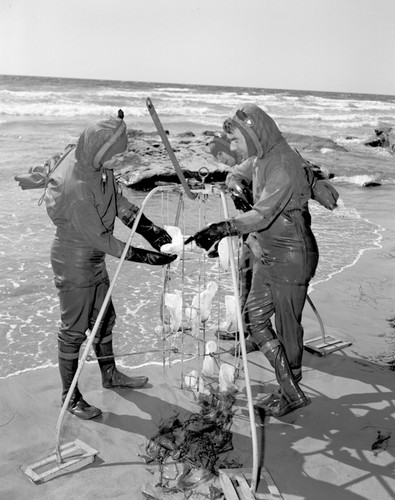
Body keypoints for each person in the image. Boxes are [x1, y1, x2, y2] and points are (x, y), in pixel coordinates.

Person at [44, 110, 177, 420]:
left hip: (94, 258)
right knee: (74, 331)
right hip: (73, 263)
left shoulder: (100, 168)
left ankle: (110, 375)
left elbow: (120, 204)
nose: (124, 157)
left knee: (106, 318)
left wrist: (151, 231)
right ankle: (71, 396)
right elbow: (107, 242)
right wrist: (149, 257)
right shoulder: (76, 188)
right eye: (119, 153)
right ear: (102, 151)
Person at [190, 104, 319, 417]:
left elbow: (262, 215)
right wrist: (235, 186)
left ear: (254, 133)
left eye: (237, 140)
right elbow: (238, 171)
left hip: (292, 256)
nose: (235, 148)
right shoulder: (262, 157)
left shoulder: (285, 164)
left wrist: (222, 228)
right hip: (268, 250)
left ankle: (292, 387)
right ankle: (291, 389)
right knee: (253, 319)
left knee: (288, 325)